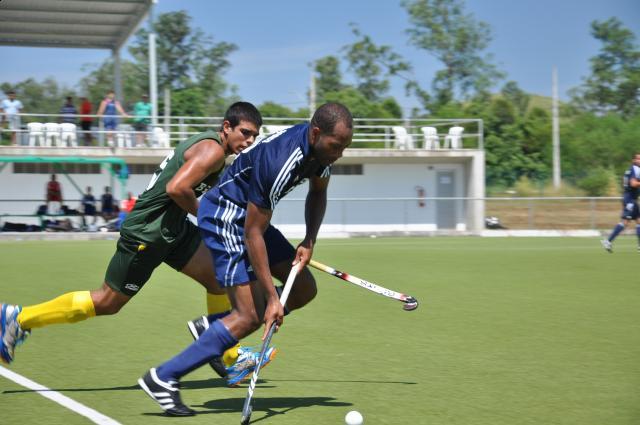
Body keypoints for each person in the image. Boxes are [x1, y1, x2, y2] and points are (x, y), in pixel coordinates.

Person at [0, 102, 273, 385]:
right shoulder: (213, 150)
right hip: (148, 232)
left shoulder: (212, 148)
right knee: (108, 301)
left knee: (219, 279)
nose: (250, 140)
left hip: (173, 228)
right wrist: (209, 217)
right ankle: (19, 318)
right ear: (226, 127)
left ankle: (229, 354)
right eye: (245, 132)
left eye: (255, 135)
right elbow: (177, 188)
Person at [138, 102, 353, 416]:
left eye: (345, 147)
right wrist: (270, 299)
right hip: (226, 218)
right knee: (250, 316)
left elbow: (318, 192)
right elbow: (252, 234)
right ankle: (164, 377)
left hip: (251, 219)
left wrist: (309, 239)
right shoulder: (282, 162)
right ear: (317, 133)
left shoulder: (321, 153)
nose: (340, 154)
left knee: (304, 288)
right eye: (336, 146)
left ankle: (214, 326)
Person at [602, 153, 640, 253]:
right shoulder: (634, 169)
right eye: (638, 159)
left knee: (638, 221)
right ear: (633, 160)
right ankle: (608, 241)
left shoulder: (631, 169)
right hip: (630, 200)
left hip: (631, 199)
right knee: (625, 222)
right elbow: (633, 183)